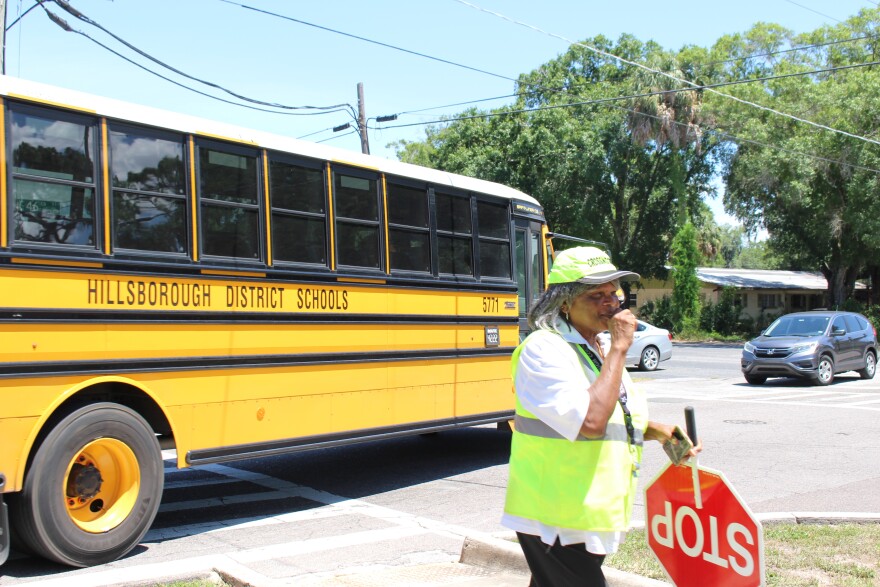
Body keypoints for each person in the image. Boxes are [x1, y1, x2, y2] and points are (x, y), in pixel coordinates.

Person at [502, 246, 699, 587]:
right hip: (555, 519)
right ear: (565, 303)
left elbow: (612, 415)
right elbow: (590, 422)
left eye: (614, 293)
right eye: (596, 295)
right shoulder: (543, 350)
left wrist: (657, 431)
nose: (611, 303)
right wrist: (621, 348)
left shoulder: (597, 348)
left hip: (588, 513)